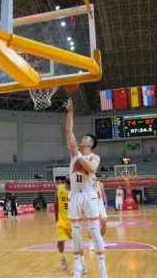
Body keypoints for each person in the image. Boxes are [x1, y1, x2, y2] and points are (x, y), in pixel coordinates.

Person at [64, 98, 107, 278]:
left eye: (86, 138)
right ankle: (79, 266)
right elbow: (68, 131)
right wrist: (70, 112)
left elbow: (92, 169)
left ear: (90, 144)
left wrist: (80, 155)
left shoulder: (94, 157)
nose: (82, 139)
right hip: (75, 195)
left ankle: (102, 267)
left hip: (89, 195)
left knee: (95, 232)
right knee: (75, 234)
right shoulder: (74, 153)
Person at [54, 177, 87, 273]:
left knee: (78, 244)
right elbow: (56, 203)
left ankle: (83, 264)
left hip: (74, 221)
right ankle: (63, 258)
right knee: (60, 241)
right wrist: (56, 217)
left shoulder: (77, 190)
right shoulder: (58, 188)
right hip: (62, 221)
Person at [89, 180, 108, 251]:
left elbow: (103, 194)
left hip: (100, 204)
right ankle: (91, 243)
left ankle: (100, 241)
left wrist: (106, 204)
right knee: (92, 225)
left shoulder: (100, 184)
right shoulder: (87, 183)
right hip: (92, 205)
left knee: (104, 224)